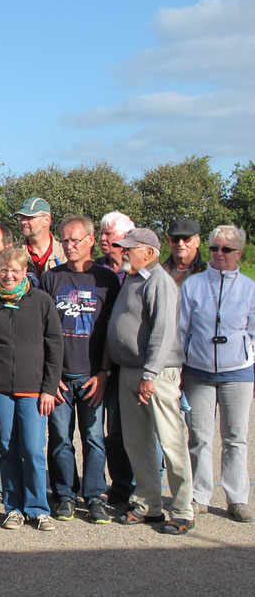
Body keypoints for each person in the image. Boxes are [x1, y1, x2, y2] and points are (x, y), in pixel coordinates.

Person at [108, 228, 195, 534]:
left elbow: (163, 331)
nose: (124, 252)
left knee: (171, 442)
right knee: (137, 442)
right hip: (130, 371)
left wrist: (150, 374)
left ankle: (183, 509)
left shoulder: (160, 282)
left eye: (130, 249)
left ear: (149, 252)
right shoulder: (134, 279)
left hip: (155, 374)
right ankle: (149, 503)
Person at [0, 247, 63, 532]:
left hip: (34, 390)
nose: (9, 276)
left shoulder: (41, 302)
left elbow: (54, 348)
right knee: (8, 448)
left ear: (25, 272)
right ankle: (14, 507)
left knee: (34, 449)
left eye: (15, 270)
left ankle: (38, 508)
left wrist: (49, 388)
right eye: (4, 270)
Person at [40, 215, 120, 524]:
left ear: (90, 240)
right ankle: (65, 494)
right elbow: (43, 332)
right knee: (60, 437)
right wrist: (50, 378)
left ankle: (95, 495)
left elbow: (111, 332)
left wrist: (103, 373)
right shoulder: (51, 279)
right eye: (64, 240)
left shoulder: (106, 280)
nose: (69, 245)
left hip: (92, 376)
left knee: (93, 438)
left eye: (75, 240)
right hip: (60, 376)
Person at [179, 225, 255, 523]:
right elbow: (182, 329)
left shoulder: (249, 287)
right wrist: (182, 366)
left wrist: (250, 362)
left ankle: (237, 498)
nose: (219, 254)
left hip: (237, 371)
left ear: (239, 253)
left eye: (226, 249)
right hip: (198, 370)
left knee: (236, 437)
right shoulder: (194, 285)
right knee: (199, 436)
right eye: (214, 248)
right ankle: (200, 495)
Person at [93, 211, 135, 504]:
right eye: (102, 233)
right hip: (102, 363)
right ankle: (119, 485)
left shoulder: (137, 271)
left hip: (131, 362)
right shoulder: (96, 269)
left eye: (110, 234)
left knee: (133, 428)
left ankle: (142, 485)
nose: (103, 239)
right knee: (108, 431)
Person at [14, 197, 65, 277]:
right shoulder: (13, 253)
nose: (23, 222)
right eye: (21, 217)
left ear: (47, 220)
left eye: (30, 217)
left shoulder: (65, 253)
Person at [162, 219, 206, 286]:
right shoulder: (160, 271)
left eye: (186, 239)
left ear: (197, 242)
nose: (180, 243)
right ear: (169, 242)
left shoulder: (207, 270)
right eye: (175, 239)